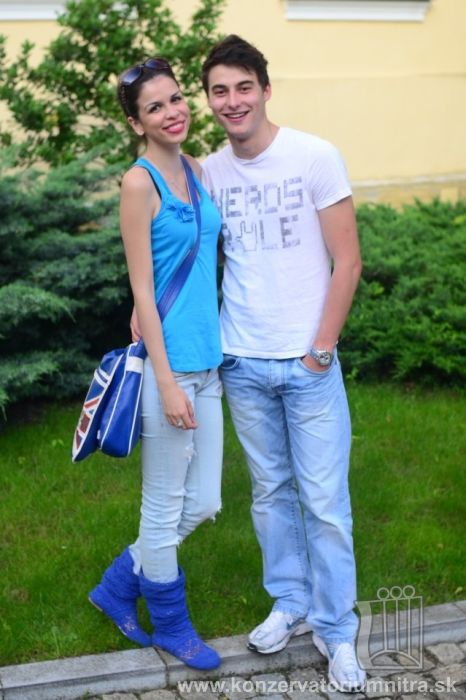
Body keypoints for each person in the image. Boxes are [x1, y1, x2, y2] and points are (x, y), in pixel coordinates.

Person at [198, 35, 366, 691]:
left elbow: (347, 261)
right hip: (243, 360)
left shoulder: (314, 156)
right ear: (209, 100)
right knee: (270, 495)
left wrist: (321, 349)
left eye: (244, 87)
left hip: (307, 364)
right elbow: (191, 254)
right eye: (220, 90)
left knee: (324, 503)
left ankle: (337, 629)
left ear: (266, 90)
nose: (233, 101)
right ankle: (291, 602)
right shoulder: (211, 173)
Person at [88, 57, 223, 671]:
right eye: (155, 107)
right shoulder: (139, 183)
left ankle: (119, 584)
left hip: (209, 362)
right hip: (171, 369)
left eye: (175, 99)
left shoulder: (196, 169)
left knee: (205, 502)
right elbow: (141, 286)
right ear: (136, 123)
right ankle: (172, 625)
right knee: (164, 507)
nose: (173, 112)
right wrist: (166, 382)